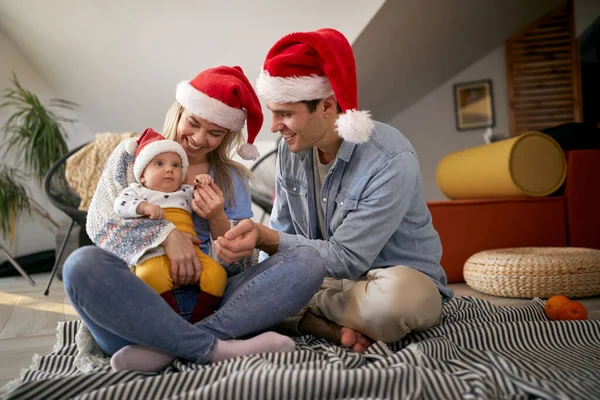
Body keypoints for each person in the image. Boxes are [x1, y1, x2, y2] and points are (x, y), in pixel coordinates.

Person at [62, 66, 327, 372]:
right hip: (139, 308)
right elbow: (99, 224)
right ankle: (217, 347)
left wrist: (217, 221)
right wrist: (166, 236)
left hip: (210, 302)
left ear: (228, 135)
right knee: (80, 265)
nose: (200, 139)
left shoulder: (232, 178)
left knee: (308, 261)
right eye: (193, 123)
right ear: (179, 110)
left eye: (215, 133)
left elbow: (240, 268)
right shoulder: (134, 153)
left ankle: (171, 348)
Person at [214, 29, 454, 352]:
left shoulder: (390, 159)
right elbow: (284, 234)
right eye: (273, 111)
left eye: (285, 113)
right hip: (325, 278)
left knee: (396, 304)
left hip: (389, 280)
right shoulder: (290, 151)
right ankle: (317, 316)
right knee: (234, 283)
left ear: (326, 106)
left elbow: (347, 258)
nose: (273, 126)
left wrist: (266, 243)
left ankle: (299, 311)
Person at [114, 128, 227, 323]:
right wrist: (143, 207)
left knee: (217, 275)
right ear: (142, 175)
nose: (169, 169)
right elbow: (120, 206)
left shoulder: (184, 191)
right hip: (153, 249)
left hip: (191, 250)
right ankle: (169, 322)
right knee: (148, 274)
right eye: (159, 163)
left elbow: (204, 198)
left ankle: (201, 319)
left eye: (176, 165)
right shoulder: (137, 191)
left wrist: (204, 182)